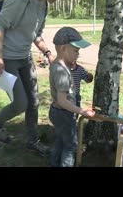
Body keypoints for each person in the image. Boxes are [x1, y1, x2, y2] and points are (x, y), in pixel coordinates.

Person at [0, 0, 69, 156]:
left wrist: (48, 54)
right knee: (21, 103)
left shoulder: (44, 5)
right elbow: (0, 25)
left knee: (33, 102)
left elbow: (36, 35)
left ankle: (33, 142)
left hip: (25, 58)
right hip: (8, 58)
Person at [49, 27, 95, 167]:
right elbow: (62, 100)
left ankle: (54, 163)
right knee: (70, 145)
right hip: (64, 113)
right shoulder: (62, 71)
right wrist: (82, 111)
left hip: (57, 112)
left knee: (60, 140)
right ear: (63, 49)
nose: (78, 54)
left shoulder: (58, 66)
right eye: (75, 50)